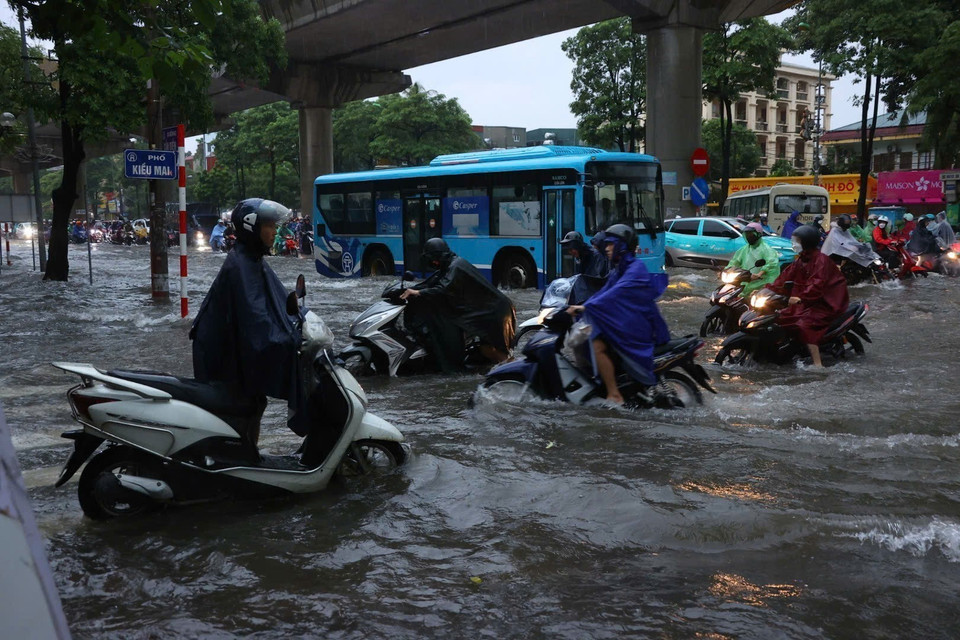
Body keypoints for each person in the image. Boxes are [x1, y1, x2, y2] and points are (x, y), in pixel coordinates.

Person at [189, 198, 306, 452]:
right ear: (252, 227)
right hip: (221, 356)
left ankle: (247, 451)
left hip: (233, 350)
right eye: (270, 226)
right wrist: (286, 341)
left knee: (254, 402)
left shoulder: (252, 259)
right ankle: (239, 457)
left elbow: (278, 301)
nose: (275, 232)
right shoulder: (241, 266)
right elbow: (257, 318)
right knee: (244, 406)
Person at [566, 224, 670, 405]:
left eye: (610, 245)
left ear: (621, 246)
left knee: (596, 344)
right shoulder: (619, 269)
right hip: (628, 322)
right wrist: (581, 305)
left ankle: (614, 394)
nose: (606, 249)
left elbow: (615, 294)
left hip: (638, 326)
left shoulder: (635, 269)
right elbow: (602, 291)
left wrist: (585, 308)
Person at [399, 238, 516, 372]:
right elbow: (434, 282)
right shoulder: (450, 265)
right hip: (491, 310)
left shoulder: (455, 266)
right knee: (487, 350)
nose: (434, 263)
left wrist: (418, 292)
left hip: (495, 312)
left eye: (435, 259)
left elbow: (443, 288)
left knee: (495, 351)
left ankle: (514, 372)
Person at [768, 224, 849, 367]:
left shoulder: (821, 260)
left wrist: (801, 298)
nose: (793, 244)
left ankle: (818, 365)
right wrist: (768, 290)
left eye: (796, 241)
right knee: (780, 317)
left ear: (807, 242)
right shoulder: (801, 260)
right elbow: (784, 277)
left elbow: (816, 284)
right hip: (807, 302)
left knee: (804, 324)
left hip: (826, 303)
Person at [726, 222, 781, 297]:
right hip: (745, 280)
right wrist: (726, 270)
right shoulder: (744, 249)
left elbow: (771, 263)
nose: (749, 236)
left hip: (760, 283)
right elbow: (735, 262)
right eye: (747, 234)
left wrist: (760, 274)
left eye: (751, 234)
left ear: (759, 234)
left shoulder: (766, 249)